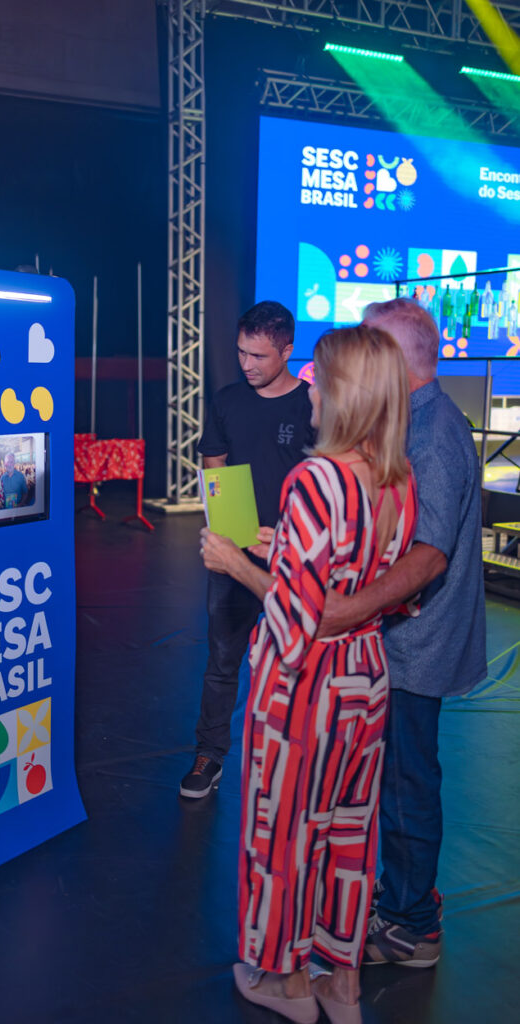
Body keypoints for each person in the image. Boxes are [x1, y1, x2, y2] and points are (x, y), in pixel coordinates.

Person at [201, 325, 417, 1024]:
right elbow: (379, 582)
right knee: (349, 833)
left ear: (345, 394)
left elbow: (299, 618)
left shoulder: (316, 479)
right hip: (365, 680)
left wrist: (236, 563)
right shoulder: (398, 478)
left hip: (304, 689)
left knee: (283, 832)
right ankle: (341, 985)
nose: (311, 392)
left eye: (320, 380)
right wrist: (283, 545)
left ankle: (288, 984)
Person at [318, 298, 487, 968]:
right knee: (397, 779)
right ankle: (406, 901)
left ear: (396, 357)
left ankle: (412, 924)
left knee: (405, 783)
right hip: (403, 639)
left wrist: (349, 608)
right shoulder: (415, 420)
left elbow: (429, 555)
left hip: (416, 649)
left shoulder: (433, 434)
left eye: (370, 347)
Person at [180, 300, 315, 798]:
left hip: (295, 556)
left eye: (258, 355)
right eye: (241, 352)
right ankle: (209, 754)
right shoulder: (228, 399)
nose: (247, 363)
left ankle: (297, 763)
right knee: (221, 661)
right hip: (236, 553)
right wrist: (233, 533)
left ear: (287, 350)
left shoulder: (313, 405)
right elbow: (214, 464)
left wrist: (291, 538)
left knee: (297, 663)